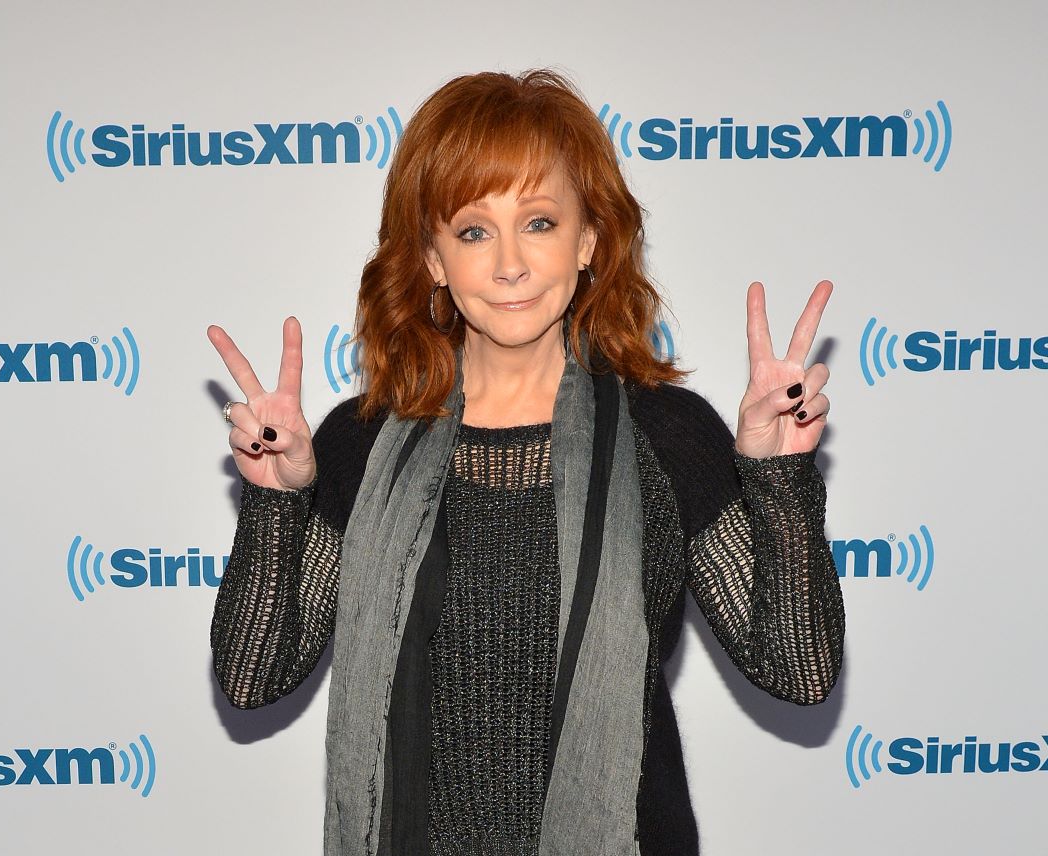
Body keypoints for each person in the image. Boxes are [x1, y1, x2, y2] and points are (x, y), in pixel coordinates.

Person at [207, 68, 844, 856]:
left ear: (588, 241)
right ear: (433, 258)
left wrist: (779, 481)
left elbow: (799, 671)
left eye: (539, 222)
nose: (509, 263)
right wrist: (275, 504)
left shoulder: (668, 435)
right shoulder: (360, 445)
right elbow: (253, 677)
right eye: (474, 231)